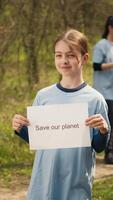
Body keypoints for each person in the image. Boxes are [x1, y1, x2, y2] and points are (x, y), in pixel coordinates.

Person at [12, 29, 110, 200]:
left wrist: (103, 130)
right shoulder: (43, 96)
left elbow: (99, 147)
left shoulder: (95, 99)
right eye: (59, 55)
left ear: (84, 58)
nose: (64, 60)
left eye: (71, 55)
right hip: (43, 183)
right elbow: (41, 140)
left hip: (75, 185)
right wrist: (20, 128)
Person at [93, 16, 113, 164]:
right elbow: (96, 66)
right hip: (104, 92)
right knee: (109, 122)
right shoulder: (101, 45)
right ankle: (109, 153)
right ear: (110, 28)